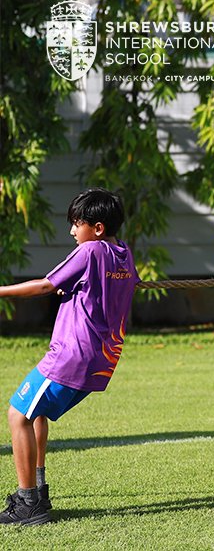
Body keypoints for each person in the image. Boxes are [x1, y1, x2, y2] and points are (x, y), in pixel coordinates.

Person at [0, 189, 137, 526]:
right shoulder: (123, 253)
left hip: (71, 355)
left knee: (17, 414)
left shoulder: (88, 250)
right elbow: (95, 287)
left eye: (77, 224)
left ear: (98, 228)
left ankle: (28, 503)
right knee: (36, 412)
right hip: (101, 359)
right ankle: (39, 490)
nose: (73, 232)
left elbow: (46, 285)